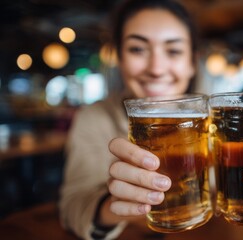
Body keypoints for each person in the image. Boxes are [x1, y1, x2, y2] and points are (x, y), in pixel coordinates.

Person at [59, 0, 198, 239]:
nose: (156, 68)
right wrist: (111, 206)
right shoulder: (94, 117)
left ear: (192, 63)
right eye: (137, 49)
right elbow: (71, 207)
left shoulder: (216, 119)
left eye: (173, 51)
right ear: (119, 58)